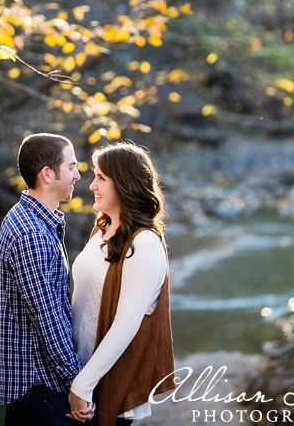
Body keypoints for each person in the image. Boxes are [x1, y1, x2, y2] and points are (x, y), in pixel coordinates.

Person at [0, 133, 96, 425]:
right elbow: (48, 318)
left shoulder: (31, 220)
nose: (77, 174)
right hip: (39, 388)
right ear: (48, 174)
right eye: (71, 166)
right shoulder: (32, 234)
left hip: (38, 386)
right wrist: (77, 382)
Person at [68, 141, 175, 426]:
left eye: (101, 178)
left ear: (125, 184)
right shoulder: (101, 229)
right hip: (76, 372)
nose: (91, 185)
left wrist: (83, 385)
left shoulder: (146, 244)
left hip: (104, 383)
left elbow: (126, 325)